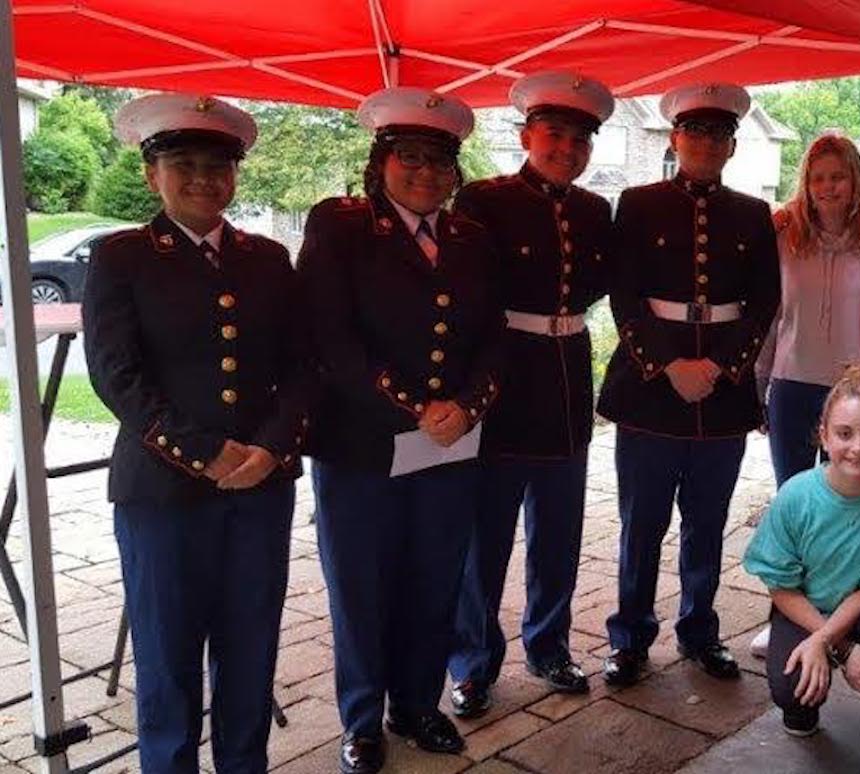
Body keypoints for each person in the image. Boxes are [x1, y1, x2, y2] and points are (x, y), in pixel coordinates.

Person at [83, 93, 312, 773]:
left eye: (218, 166)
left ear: (236, 175)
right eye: (183, 163)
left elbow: (303, 367)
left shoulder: (268, 258)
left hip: (260, 490)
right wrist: (205, 453)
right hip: (161, 493)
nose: (204, 179)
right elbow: (116, 376)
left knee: (250, 650)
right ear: (153, 174)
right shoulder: (122, 257)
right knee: (167, 659)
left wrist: (271, 448)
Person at [297, 87, 505, 774]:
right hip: (362, 444)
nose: (426, 173)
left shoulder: (471, 238)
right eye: (409, 157)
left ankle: (417, 704)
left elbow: (491, 337)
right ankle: (361, 720)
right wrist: (416, 407)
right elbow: (330, 337)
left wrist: (469, 406)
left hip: (450, 445)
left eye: (440, 161)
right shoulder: (342, 226)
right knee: (361, 585)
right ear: (380, 160)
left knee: (436, 577)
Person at [596, 82, 780, 686]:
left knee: (707, 523)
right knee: (641, 524)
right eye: (695, 132)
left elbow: (763, 303)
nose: (706, 143)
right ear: (676, 138)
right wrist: (670, 364)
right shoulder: (638, 202)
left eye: (719, 135)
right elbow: (623, 294)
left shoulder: (752, 214)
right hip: (651, 391)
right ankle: (629, 636)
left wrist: (724, 367)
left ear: (730, 147)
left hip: (722, 399)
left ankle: (699, 631)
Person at [448, 71, 614, 717]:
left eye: (579, 139)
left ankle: (548, 646)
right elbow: (465, 293)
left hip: (568, 375)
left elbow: (601, 280)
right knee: (484, 538)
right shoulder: (484, 200)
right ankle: (472, 662)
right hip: (502, 378)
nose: (567, 148)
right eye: (555, 134)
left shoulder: (595, 210)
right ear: (526, 134)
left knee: (559, 533)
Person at [744, 366, 860, 774]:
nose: (858, 447)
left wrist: (828, 640)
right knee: (794, 691)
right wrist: (835, 645)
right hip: (806, 608)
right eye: (845, 433)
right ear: (824, 435)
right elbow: (781, 587)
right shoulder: (795, 497)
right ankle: (805, 704)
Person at [749, 133, 860, 658]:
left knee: (849, 507)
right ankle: (787, 620)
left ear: (854, 182)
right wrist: (760, 382)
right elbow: (773, 317)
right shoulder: (785, 236)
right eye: (818, 177)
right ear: (806, 183)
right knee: (795, 505)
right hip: (793, 384)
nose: (828, 187)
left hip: (853, 392)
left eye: (838, 177)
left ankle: (840, 620)